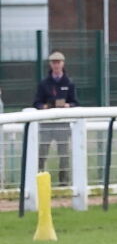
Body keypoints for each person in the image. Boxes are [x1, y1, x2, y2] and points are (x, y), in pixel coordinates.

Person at [33, 50, 79, 185]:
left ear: (63, 64)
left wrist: (68, 105)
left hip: (62, 124)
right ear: (50, 64)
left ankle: (64, 182)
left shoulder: (69, 83)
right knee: (42, 153)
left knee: (64, 154)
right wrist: (44, 107)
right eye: (54, 62)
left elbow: (75, 102)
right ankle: (38, 180)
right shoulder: (44, 83)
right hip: (46, 124)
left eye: (58, 62)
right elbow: (36, 102)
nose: (56, 65)